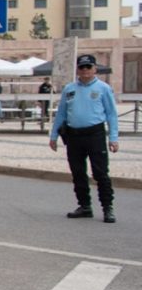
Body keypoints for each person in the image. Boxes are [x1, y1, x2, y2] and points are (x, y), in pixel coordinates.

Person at [49, 54, 119, 223]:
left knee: (100, 173)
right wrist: (54, 135)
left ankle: (107, 208)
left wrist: (114, 137)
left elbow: (111, 114)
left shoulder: (103, 88)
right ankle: (84, 206)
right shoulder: (69, 89)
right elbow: (62, 114)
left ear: (95, 69)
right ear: (77, 70)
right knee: (78, 172)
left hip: (95, 134)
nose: (85, 71)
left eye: (89, 67)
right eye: (82, 68)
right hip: (74, 136)